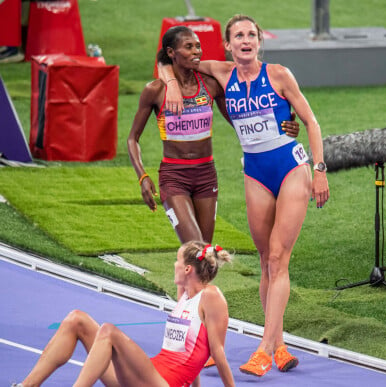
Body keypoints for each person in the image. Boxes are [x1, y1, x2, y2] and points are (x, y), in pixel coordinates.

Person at [159, 14, 330, 377]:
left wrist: (319, 169)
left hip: (291, 167)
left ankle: (265, 348)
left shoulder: (279, 74)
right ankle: (280, 344)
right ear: (228, 45)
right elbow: (168, 57)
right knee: (267, 259)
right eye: (239, 36)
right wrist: (169, 83)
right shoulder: (221, 73)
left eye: (251, 34)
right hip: (254, 172)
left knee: (280, 257)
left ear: (259, 41)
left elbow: (311, 122)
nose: (246, 40)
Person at [128, 26, 300, 300]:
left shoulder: (210, 85)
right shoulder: (155, 90)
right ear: (172, 53)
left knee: (205, 257)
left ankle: (191, 311)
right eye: (189, 47)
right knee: (195, 249)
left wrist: (280, 128)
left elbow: (241, 118)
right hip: (174, 177)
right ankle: (187, 313)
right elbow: (132, 139)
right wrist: (142, 176)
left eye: (198, 46)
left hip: (206, 175)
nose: (196, 52)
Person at [13, 240, 235, 387]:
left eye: (176, 261)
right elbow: (191, 352)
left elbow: (218, 354)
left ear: (187, 269)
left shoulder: (211, 296)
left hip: (162, 382)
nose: (173, 265)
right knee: (76, 319)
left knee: (108, 332)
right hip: (147, 376)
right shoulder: (185, 297)